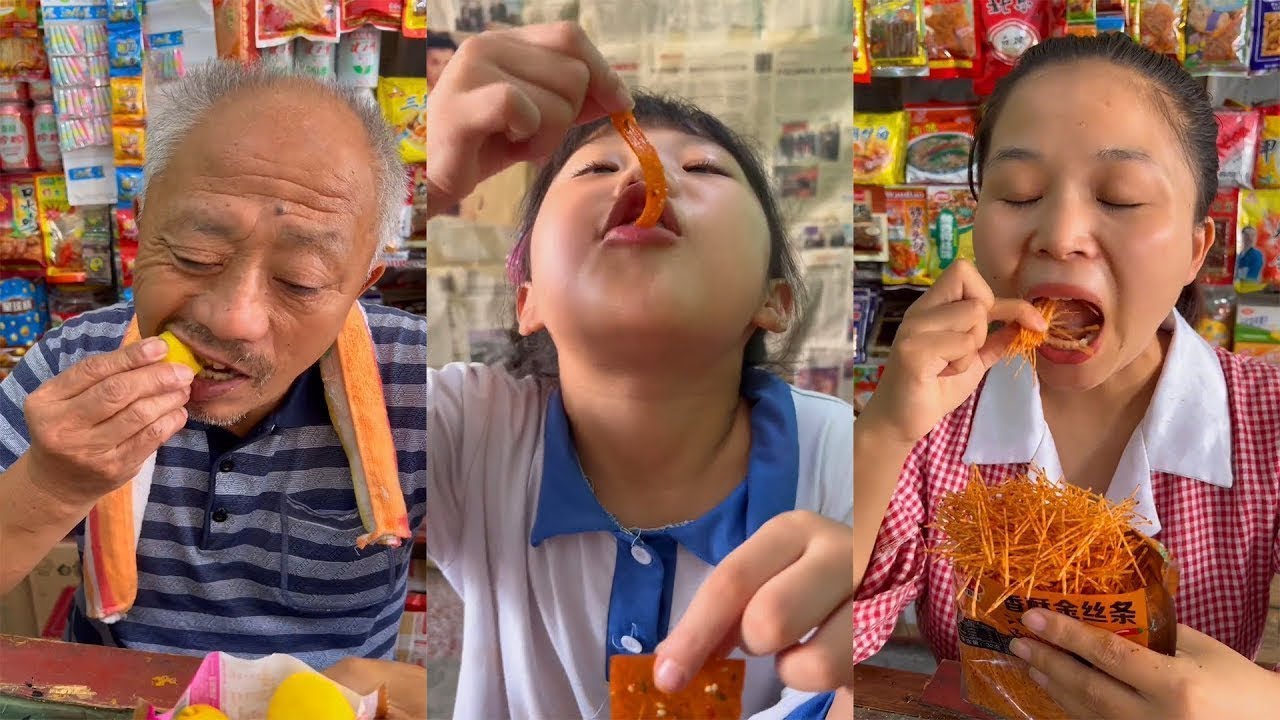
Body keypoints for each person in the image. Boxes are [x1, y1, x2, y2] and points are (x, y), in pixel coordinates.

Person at [426, 22, 853, 719]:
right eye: (593, 169)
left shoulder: (846, 457)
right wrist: (432, 179)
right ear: (527, 299)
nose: (640, 172)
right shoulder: (467, 430)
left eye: (708, 170)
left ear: (771, 301)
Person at [853, 33, 1280, 719]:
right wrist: (880, 433)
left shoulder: (1266, 420)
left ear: (1197, 249)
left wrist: (1261, 704)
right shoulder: (932, 419)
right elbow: (810, 639)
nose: (1059, 232)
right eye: (1019, 195)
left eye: (1120, 198)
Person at [0, 63, 427, 716]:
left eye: (302, 280)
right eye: (196, 257)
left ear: (361, 285)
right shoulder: (69, 362)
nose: (234, 318)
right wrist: (50, 486)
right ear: (143, 227)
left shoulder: (422, 386)